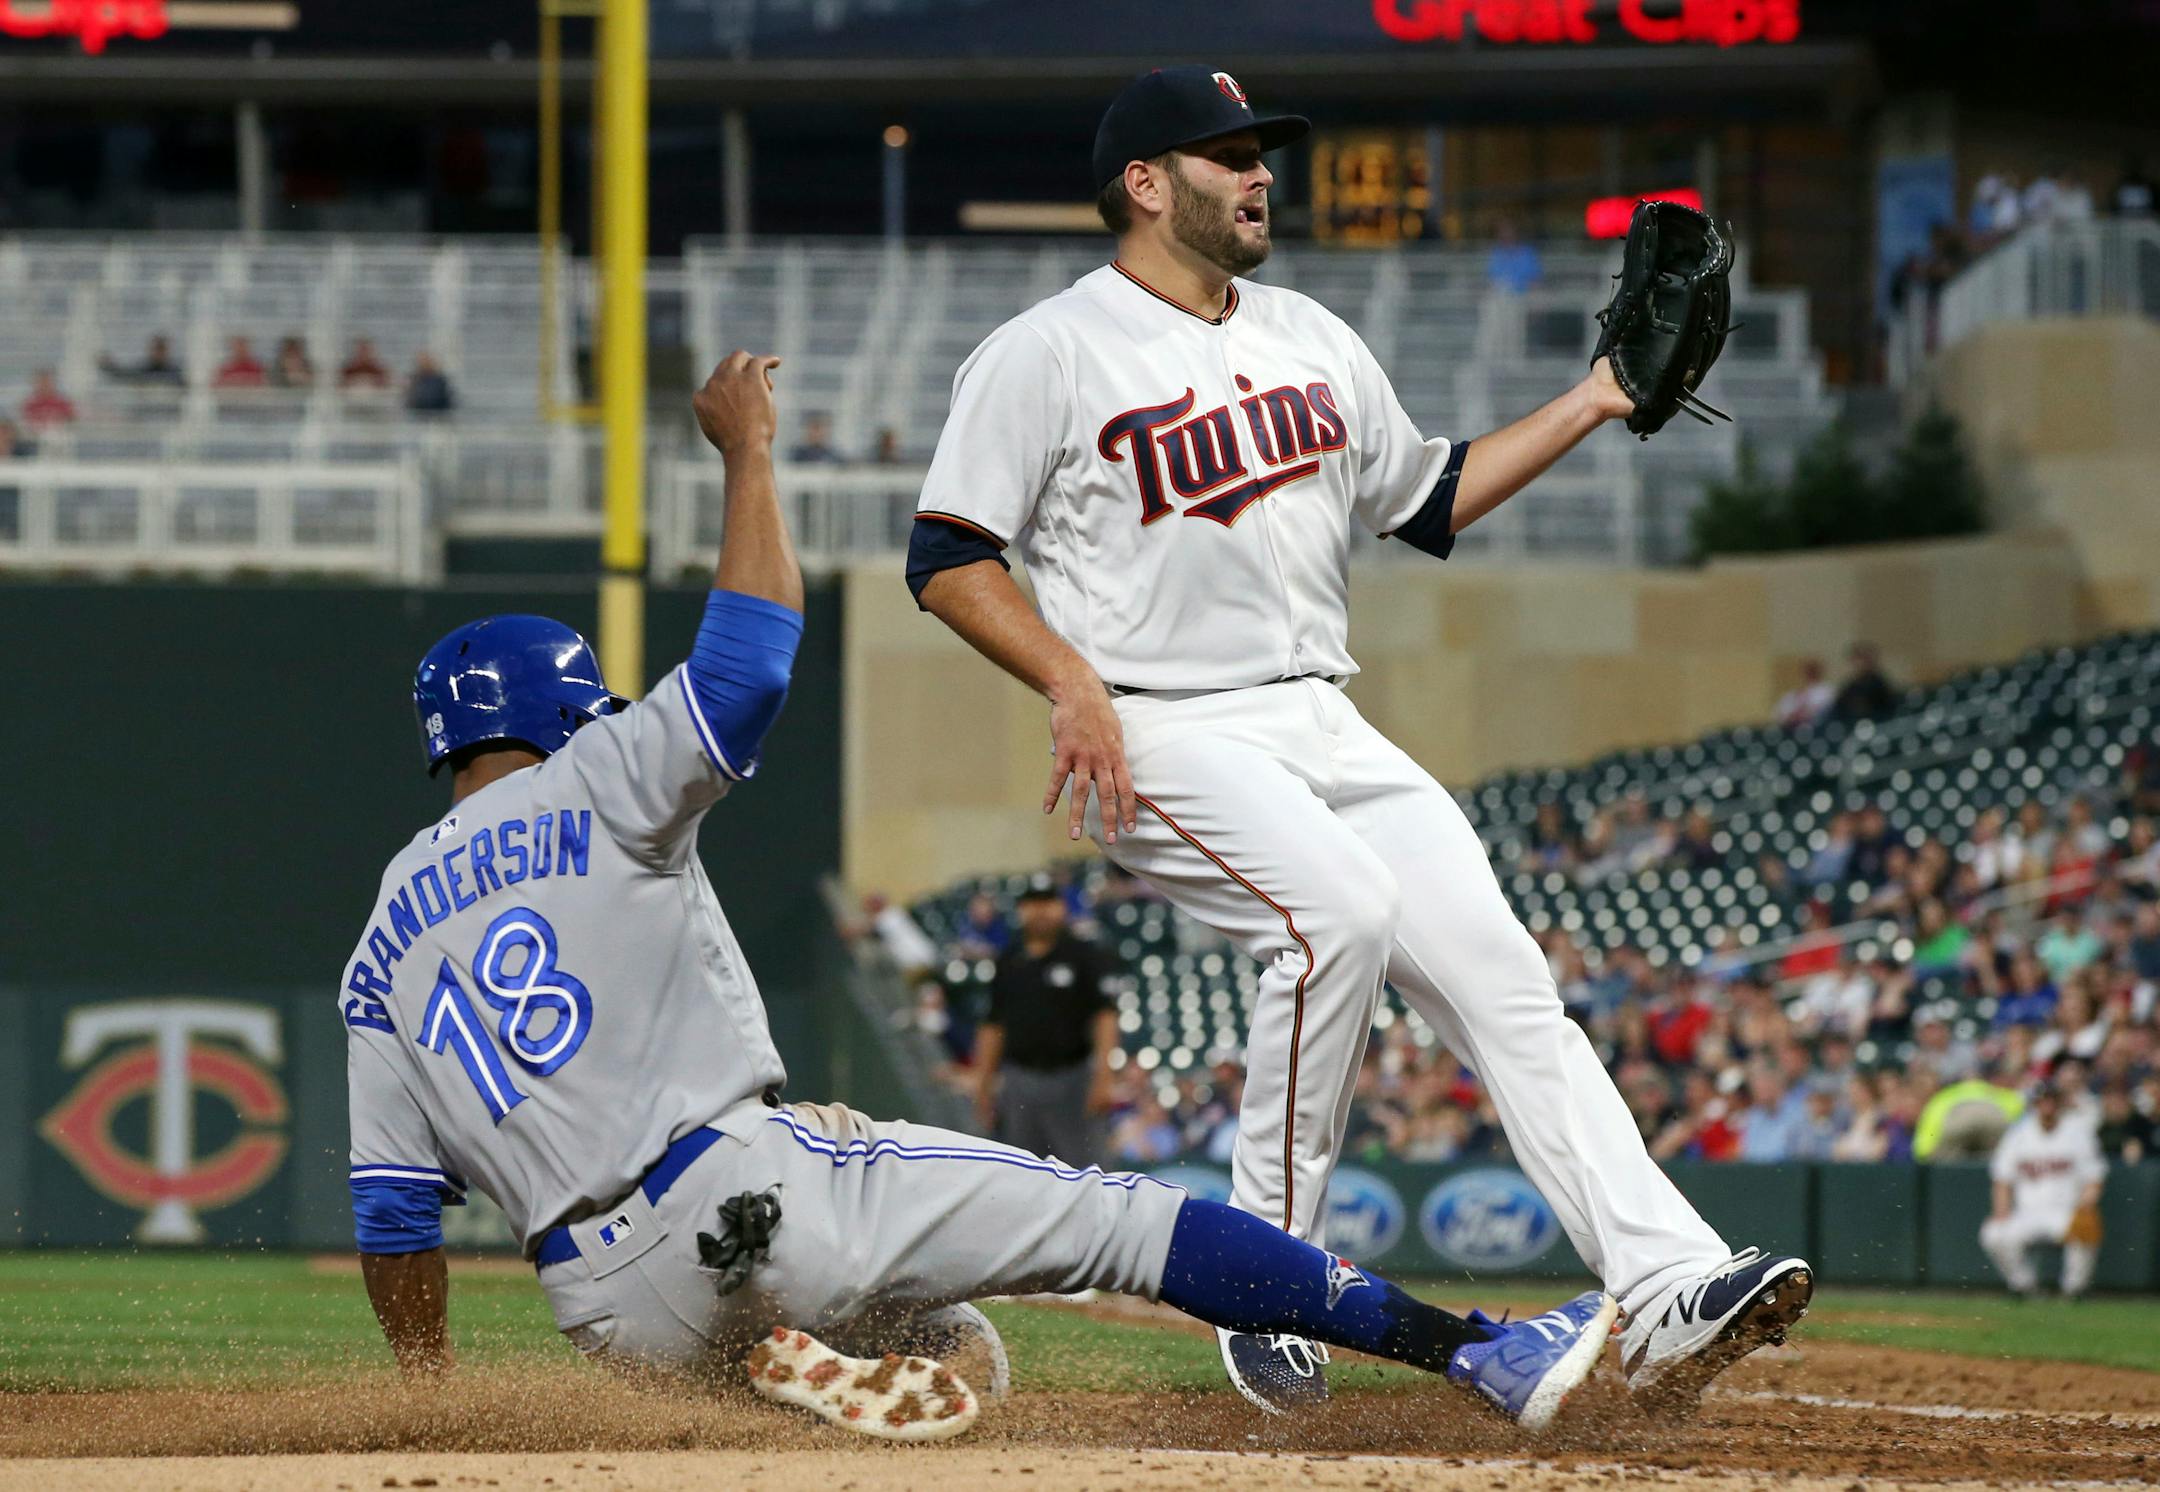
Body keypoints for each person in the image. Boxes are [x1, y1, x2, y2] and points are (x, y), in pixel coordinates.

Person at [340, 350, 1618, 1441]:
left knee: (953, 1350)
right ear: (567, 712)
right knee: (1130, 1223)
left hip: (604, 1309)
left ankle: (778, 1362)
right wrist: (745, 453)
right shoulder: (596, 777)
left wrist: (436, 1402)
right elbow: (747, 664)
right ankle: (1477, 1352)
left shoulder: (382, 941)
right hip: (751, 1188)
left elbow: (393, 1216)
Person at [905, 63, 1810, 1416]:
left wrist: (1593, 401)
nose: (1259, 172)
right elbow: (946, 556)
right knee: (1334, 915)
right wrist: (1068, 679)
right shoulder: (1049, 351)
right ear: (1145, 185)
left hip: (1322, 709)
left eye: (1261, 150)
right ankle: (1268, 1278)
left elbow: (1429, 499)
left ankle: (1670, 1282)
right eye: (1224, 154)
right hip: (1162, 722)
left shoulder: (1313, 335)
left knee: (1507, 985)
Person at [973, 875, 1119, 1165]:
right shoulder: (1009, 959)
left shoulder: (1083, 955)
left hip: (1073, 1078)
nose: (1041, 911)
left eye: (1048, 903)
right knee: (1022, 1171)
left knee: (1086, 1171)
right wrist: (983, 1084)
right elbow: (993, 1025)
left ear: (1062, 907)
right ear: (1021, 910)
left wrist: (1104, 1077)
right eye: (1033, 903)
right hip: (1019, 1081)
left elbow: (1105, 1017)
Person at [1980, 1080, 2106, 1300]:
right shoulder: (2018, 1134)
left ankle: (2074, 1289)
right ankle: (2023, 1286)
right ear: (2034, 1104)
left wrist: (2086, 1205)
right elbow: (2002, 1179)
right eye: (2042, 1101)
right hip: (2028, 1212)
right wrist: (2002, 1211)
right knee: (1993, 1233)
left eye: (2051, 1101)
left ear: (2059, 1104)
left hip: (2066, 1211)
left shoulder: (2078, 1132)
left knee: (2085, 1227)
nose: (2047, 1106)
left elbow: (2094, 1178)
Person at [1830, 642, 1895, 723]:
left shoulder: (1879, 685)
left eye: (1864, 660)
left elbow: (1887, 708)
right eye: (1857, 660)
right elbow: (1838, 708)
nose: (1860, 664)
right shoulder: (1850, 687)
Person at [99, 333, 185, 386]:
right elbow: (124, 374)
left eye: (161, 349)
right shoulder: (144, 369)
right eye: (156, 349)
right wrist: (109, 366)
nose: (159, 353)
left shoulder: (174, 372)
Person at [1485, 218, 1542, 294]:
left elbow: (1535, 278)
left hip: (1525, 294)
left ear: (1515, 232)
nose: (1506, 234)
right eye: (1502, 231)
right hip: (1502, 294)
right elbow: (1492, 279)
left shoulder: (1528, 252)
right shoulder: (1496, 253)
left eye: (1509, 230)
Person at [1774, 659, 1833, 729]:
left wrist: (1805, 713)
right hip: (1792, 729)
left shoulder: (1827, 691)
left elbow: (1823, 710)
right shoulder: (1793, 694)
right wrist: (1792, 716)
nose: (1810, 673)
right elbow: (1779, 714)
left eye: (1813, 670)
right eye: (1808, 671)